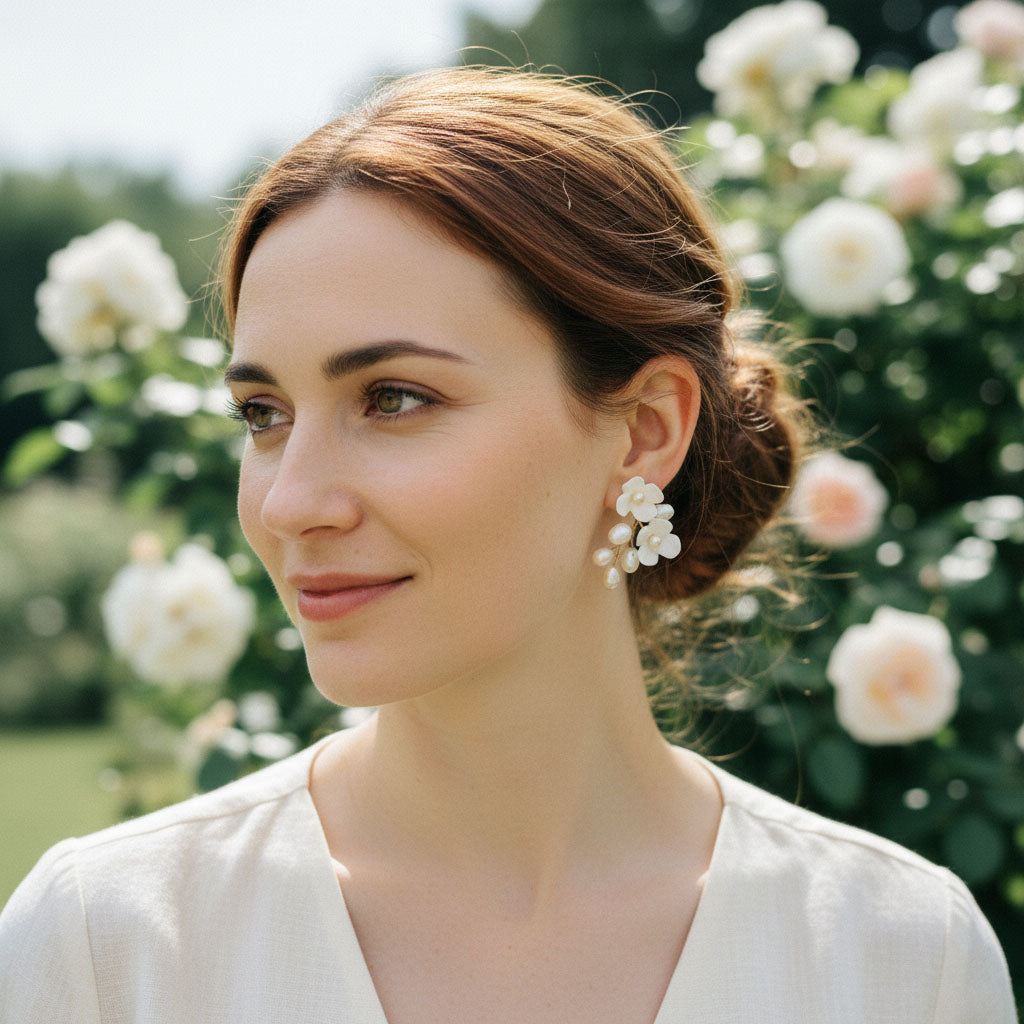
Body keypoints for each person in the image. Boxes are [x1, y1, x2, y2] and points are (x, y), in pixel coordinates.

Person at [0, 67, 1015, 1023]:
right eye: (263, 413)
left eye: (394, 398)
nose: (290, 502)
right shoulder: (109, 947)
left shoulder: (899, 960)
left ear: (644, 429)